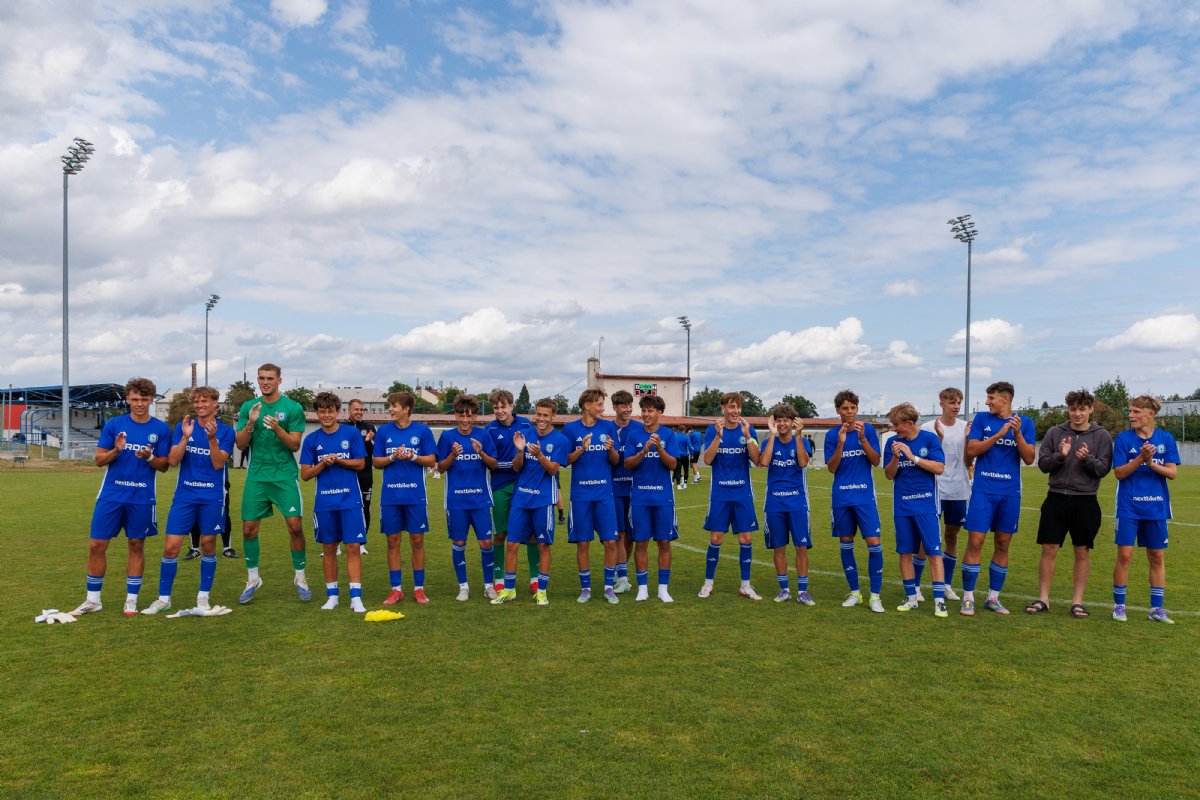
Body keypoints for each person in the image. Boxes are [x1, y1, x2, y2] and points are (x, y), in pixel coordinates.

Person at [70, 378, 172, 616]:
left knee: (136, 545)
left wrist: (149, 457)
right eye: (135, 399)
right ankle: (93, 600)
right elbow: (98, 461)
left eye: (144, 399)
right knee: (97, 545)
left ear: (151, 400)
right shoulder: (115, 424)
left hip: (142, 497)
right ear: (128, 399)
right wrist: (116, 450)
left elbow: (164, 466)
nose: (139, 404)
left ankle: (131, 600)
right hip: (111, 495)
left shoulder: (161, 429)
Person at [142, 386, 235, 615]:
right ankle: (164, 599)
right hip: (184, 496)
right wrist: (185, 437)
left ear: (215, 403)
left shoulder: (225, 432)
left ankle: (203, 597)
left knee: (208, 545)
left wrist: (212, 439)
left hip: (212, 497)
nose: (200, 405)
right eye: (197, 401)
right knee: (171, 547)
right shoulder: (184, 427)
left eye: (205, 401)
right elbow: (173, 461)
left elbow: (218, 464)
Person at [1028, 389, 1113, 617]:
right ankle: (1043, 599)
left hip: (1086, 500)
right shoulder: (1055, 432)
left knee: (1082, 550)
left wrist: (1087, 459)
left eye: (1082, 409)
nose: (1077, 414)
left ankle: (1078, 601)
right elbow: (1043, 464)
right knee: (1049, 548)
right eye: (1073, 409)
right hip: (1056, 498)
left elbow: (1103, 469)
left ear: (1091, 409)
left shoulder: (1102, 436)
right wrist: (1060, 456)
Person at [235, 364, 311, 604]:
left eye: (270, 378)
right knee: (248, 529)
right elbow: (240, 444)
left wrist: (278, 429)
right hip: (257, 476)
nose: (265, 382)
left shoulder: (292, 408)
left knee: (295, 527)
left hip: (284, 476)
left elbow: (295, 445)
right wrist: (250, 423)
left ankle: (300, 577)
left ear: (279, 380)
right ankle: (253, 578)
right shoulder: (249, 407)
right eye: (261, 378)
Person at [961, 381, 1036, 616]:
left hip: (1010, 493)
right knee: (975, 542)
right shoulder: (982, 419)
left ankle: (993, 598)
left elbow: (1029, 458)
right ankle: (968, 597)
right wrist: (998, 435)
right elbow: (971, 451)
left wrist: (1017, 434)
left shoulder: (1025, 422)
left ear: (1005, 399)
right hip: (983, 490)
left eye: (991, 398)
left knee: (1003, 543)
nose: (987, 402)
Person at [491, 398, 569, 606]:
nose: (541, 419)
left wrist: (540, 455)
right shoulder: (525, 435)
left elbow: (552, 470)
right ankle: (509, 589)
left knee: (543, 545)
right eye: (539, 414)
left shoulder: (560, 440)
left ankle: (541, 591)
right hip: (521, 499)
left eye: (546, 415)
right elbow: (517, 468)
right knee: (512, 544)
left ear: (553, 417)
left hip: (543, 501)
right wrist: (519, 451)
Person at [1112, 395, 1180, 624]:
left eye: (1136, 412)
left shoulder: (1165, 439)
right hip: (1129, 506)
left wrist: (1151, 463)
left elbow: (1172, 473)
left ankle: (1156, 609)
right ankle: (1119, 606)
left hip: (1156, 507)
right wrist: (1141, 458)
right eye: (1130, 411)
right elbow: (1119, 473)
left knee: (1157, 556)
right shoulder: (1123, 439)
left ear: (1150, 415)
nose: (1130, 415)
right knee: (1125, 556)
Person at [299, 392, 368, 612]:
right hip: (325, 503)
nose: (326, 415)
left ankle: (356, 598)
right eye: (322, 412)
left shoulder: (351, 434)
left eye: (330, 411)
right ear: (317, 413)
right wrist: (323, 464)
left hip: (350, 500)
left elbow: (360, 464)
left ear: (338, 412)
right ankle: (332, 596)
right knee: (329, 547)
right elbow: (305, 474)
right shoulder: (311, 440)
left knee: (353, 547)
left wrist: (338, 460)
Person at [883, 403, 949, 618]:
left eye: (897, 425)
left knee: (934, 552)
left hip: (926, 505)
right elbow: (889, 475)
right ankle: (911, 598)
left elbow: (939, 468)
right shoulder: (892, 443)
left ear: (909, 423)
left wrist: (913, 457)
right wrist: (895, 457)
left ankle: (939, 602)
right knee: (904, 552)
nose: (894, 429)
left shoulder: (929, 439)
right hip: (902, 506)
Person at [373, 391, 437, 606]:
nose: (390, 409)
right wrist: (393, 456)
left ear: (407, 409)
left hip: (415, 496)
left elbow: (431, 460)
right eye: (390, 405)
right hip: (390, 496)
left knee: (417, 541)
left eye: (394, 406)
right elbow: (376, 462)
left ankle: (419, 589)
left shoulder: (422, 431)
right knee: (392, 541)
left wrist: (413, 456)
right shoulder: (383, 432)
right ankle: (396, 589)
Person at [824, 389, 885, 613]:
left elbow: (876, 461)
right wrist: (841, 444)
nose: (849, 412)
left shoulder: (867, 430)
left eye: (852, 408)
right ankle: (855, 593)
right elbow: (832, 468)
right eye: (845, 408)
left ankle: (875, 596)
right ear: (838, 410)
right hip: (842, 498)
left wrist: (862, 440)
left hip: (865, 497)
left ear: (857, 409)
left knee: (874, 543)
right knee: (846, 542)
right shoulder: (832, 435)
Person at [698, 392, 762, 600]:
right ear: (723, 408)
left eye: (738, 407)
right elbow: (707, 460)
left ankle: (745, 585)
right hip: (720, 494)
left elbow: (757, 460)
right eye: (732, 407)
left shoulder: (748, 428)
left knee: (746, 538)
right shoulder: (713, 429)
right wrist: (718, 436)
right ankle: (708, 583)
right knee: (716, 538)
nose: (736, 411)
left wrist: (748, 436)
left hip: (742, 493)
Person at [436, 394, 500, 601]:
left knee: (486, 543)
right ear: (455, 416)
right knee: (459, 542)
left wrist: (481, 453)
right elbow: (440, 468)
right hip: (456, 501)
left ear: (475, 416)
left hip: (480, 500)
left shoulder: (483, 435)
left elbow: (494, 464)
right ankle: (463, 587)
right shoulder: (447, 437)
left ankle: (489, 585)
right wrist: (453, 455)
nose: (465, 419)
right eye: (461, 415)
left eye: (469, 415)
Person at [563, 388, 621, 603]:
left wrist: (611, 450)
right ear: (587, 406)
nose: (602, 408)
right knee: (583, 543)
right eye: (599, 404)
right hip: (581, 496)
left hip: (604, 494)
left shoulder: (608, 427)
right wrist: (582, 448)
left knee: (611, 542)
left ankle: (608, 587)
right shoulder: (570, 429)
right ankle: (585, 589)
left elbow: (615, 461)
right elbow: (565, 460)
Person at [622, 395, 679, 602]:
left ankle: (663, 589)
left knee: (664, 542)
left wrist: (659, 448)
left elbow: (672, 464)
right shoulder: (633, 435)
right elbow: (627, 464)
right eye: (644, 410)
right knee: (641, 543)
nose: (646, 414)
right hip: (640, 498)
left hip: (663, 498)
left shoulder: (668, 435)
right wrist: (644, 450)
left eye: (650, 411)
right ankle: (642, 588)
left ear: (659, 412)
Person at [916, 387, 972, 601]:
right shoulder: (928, 428)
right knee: (926, 538)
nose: (956, 406)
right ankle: (916, 586)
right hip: (934, 490)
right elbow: (925, 459)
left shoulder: (965, 427)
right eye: (951, 402)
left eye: (958, 402)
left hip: (958, 490)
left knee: (952, 537)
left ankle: (947, 585)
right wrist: (938, 439)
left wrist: (968, 440)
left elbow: (969, 462)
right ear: (941, 404)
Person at [758, 404, 815, 605]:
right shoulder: (768, 442)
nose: (782, 424)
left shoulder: (802, 441)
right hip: (774, 503)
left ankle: (802, 591)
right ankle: (784, 589)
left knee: (801, 547)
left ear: (792, 422)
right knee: (779, 547)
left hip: (798, 502)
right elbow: (764, 462)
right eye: (779, 420)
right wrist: (772, 435)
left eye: (786, 420)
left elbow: (802, 463)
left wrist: (798, 436)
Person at [484, 390, 537, 594]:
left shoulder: (526, 424)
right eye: (496, 407)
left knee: (531, 534)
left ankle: (534, 579)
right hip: (500, 486)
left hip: (524, 486)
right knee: (500, 534)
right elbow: (492, 463)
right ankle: (499, 579)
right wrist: (513, 465)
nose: (499, 411)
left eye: (503, 406)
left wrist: (519, 465)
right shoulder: (489, 429)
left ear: (512, 406)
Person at [609, 390, 641, 593]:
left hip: (636, 489)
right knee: (619, 532)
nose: (628, 409)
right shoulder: (608, 429)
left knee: (632, 535)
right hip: (614, 489)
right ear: (614, 407)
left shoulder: (638, 428)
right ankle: (621, 575)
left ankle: (621, 569)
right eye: (623, 405)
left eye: (630, 405)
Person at [345, 398, 376, 556]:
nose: (359, 412)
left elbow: (375, 452)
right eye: (356, 409)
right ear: (348, 410)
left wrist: (369, 442)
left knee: (365, 507)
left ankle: (362, 542)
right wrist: (364, 442)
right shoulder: (342, 428)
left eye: (361, 409)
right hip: (347, 474)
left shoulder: (370, 428)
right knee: (343, 507)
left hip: (365, 475)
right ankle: (336, 544)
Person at [673, 425, 692, 490]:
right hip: (685, 456)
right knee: (686, 470)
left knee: (677, 470)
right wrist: (692, 454)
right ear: (684, 430)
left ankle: (678, 485)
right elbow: (690, 446)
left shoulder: (675, 437)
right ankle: (685, 484)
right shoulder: (686, 437)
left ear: (678, 430)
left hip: (677, 456)